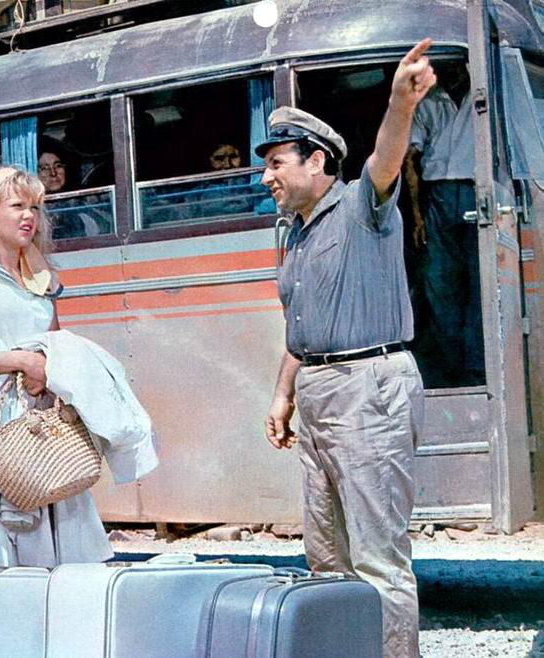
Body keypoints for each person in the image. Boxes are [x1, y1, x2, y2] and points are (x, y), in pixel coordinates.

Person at [260, 39, 435, 658]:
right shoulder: (293, 233)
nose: (267, 177)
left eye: (277, 163)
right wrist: (283, 395)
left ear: (318, 162)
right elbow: (302, 325)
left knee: (377, 558)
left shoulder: (364, 205)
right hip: (317, 391)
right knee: (327, 556)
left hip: (370, 387)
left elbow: (385, 158)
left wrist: (400, 103)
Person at [0, 165, 112, 571]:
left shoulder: (41, 276)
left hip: (38, 421)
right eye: (17, 206)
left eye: (35, 207)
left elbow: (55, 347)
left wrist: (53, 370)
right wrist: (19, 360)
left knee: (51, 562)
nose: (29, 216)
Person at [405, 64, 484, 387]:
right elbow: (409, 159)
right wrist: (417, 216)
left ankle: (477, 367)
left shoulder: (482, 93)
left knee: (480, 280)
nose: (453, 72)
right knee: (440, 282)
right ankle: (454, 369)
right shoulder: (428, 99)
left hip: (477, 190)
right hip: (437, 196)